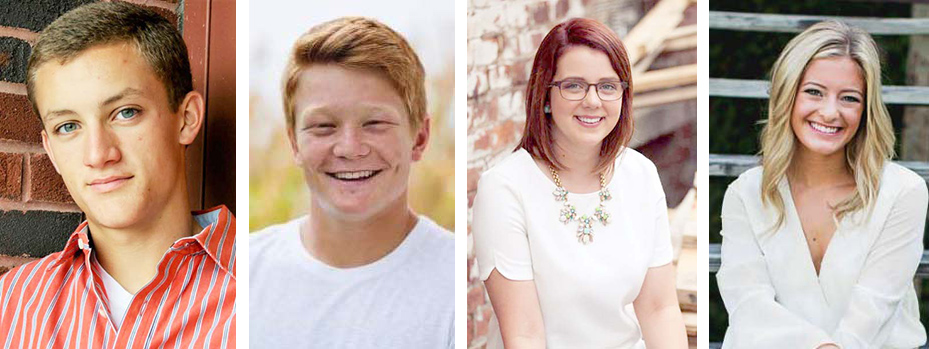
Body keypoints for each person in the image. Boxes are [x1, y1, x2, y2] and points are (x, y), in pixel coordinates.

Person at [0, 2, 236, 348]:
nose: (98, 154)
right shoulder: (11, 305)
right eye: (68, 126)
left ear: (185, 118)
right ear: (51, 149)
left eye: (125, 113)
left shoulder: (267, 290)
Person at [471, 18, 687, 348]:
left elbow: (660, 309)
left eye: (608, 86)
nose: (593, 101)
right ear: (545, 95)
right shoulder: (504, 188)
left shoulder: (641, 174)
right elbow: (525, 335)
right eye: (574, 85)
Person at [717, 21, 928, 348]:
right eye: (814, 92)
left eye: (849, 98)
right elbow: (748, 304)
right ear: (788, 95)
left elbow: (874, 308)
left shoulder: (903, 193)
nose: (830, 112)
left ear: (866, 109)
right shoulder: (745, 194)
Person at [248, 17, 454, 348]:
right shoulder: (242, 275)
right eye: (324, 126)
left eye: (374, 123)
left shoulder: (454, 282)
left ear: (420, 137)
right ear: (294, 142)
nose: (350, 148)